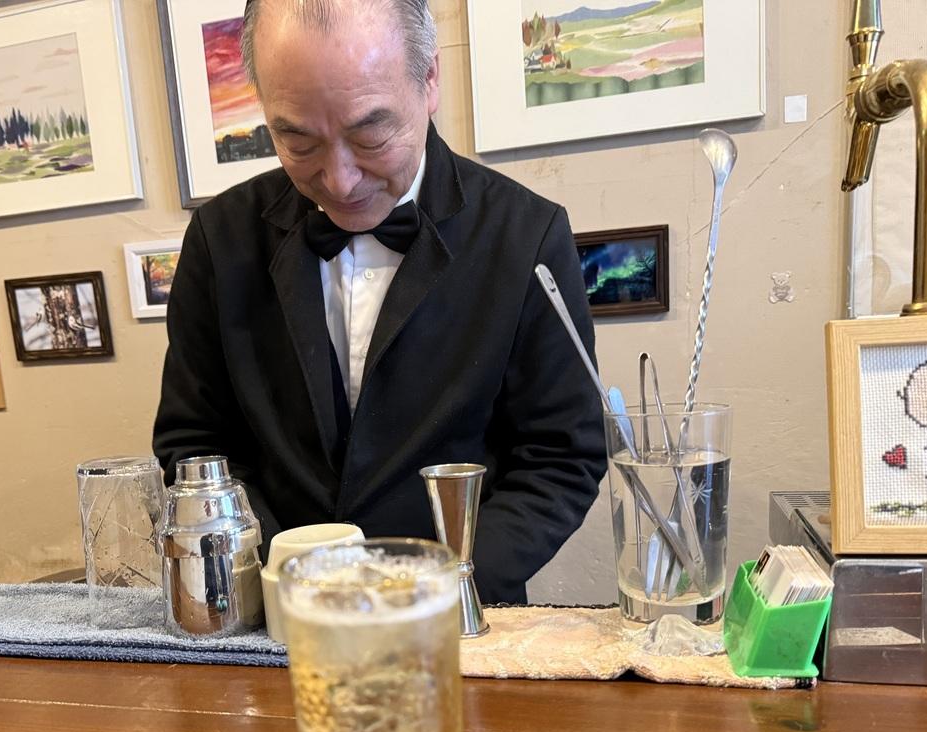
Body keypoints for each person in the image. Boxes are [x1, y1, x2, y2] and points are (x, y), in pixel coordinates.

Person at [152, 0, 606, 603]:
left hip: (458, 620)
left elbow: (561, 457)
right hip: (274, 618)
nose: (339, 180)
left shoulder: (525, 236)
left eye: (370, 134)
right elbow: (196, 447)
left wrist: (440, 588)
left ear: (429, 80)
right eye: (297, 140)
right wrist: (281, 576)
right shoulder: (220, 239)